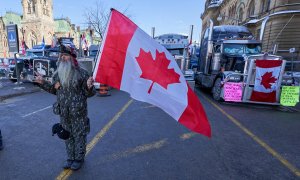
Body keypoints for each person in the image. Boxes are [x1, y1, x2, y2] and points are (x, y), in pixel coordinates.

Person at [35, 44, 95, 170]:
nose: (62, 58)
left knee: (79, 135)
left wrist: (89, 87)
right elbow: (53, 90)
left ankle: (79, 158)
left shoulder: (82, 73)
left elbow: (89, 93)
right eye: (61, 55)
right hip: (64, 112)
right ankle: (70, 158)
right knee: (67, 135)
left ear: (73, 58)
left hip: (78, 112)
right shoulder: (58, 74)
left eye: (66, 55)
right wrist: (42, 83)